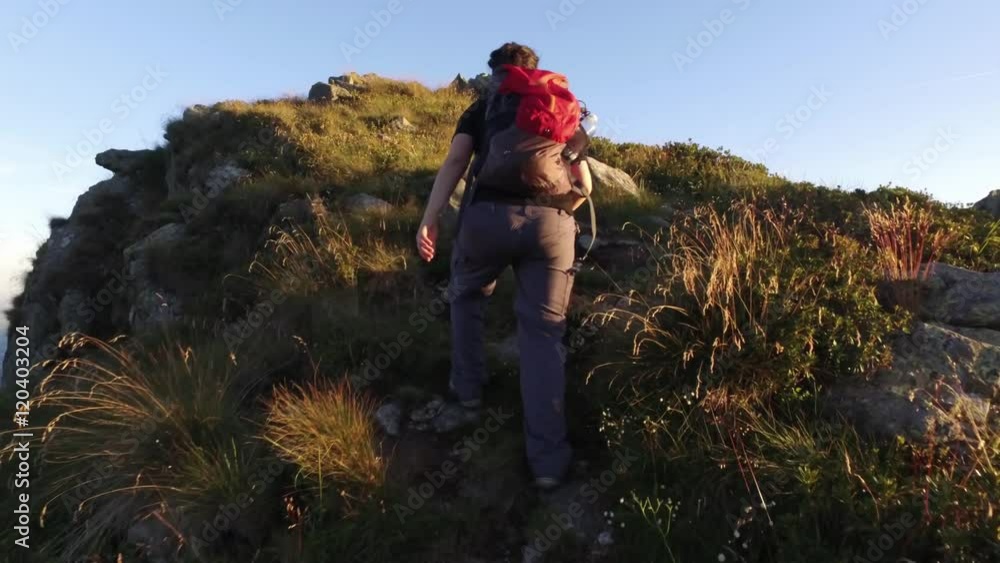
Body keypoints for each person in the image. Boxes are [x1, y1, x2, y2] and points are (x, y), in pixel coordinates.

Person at [415, 42, 593, 489]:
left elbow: (457, 161)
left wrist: (430, 218)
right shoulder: (561, 106)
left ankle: (469, 392)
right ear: (534, 71)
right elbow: (584, 183)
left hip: (486, 220)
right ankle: (549, 463)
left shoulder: (483, 107)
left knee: (467, 296)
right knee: (543, 334)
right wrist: (560, 213)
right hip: (552, 227)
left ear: (495, 72)